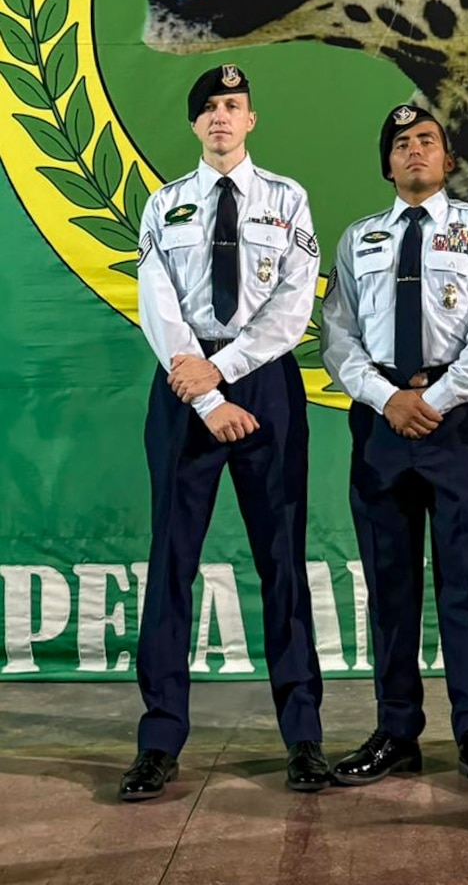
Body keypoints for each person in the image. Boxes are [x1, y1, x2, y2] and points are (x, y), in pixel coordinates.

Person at [120, 64, 329, 801]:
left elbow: (292, 305)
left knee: (283, 559)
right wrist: (202, 390)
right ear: (194, 123)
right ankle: (159, 739)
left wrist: (227, 373)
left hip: (264, 379)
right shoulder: (165, 204)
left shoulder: (287, 199)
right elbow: (158, 305)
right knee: (171, 562)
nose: (220, 117)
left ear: (251, 120)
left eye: (233, 105)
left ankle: (303, 736)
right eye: (208, 107)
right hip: (183, 382)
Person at [321, 104, 468, 799]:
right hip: (380, 425)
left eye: (426, 142)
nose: (414, 152)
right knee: (391, 586)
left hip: (454, 420)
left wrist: (432, 400)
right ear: (387, 163)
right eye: (401, 144)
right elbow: (337, 338)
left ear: (448, 160)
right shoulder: (360, 239)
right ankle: (397, 732)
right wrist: (387, 400)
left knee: (464, 585)